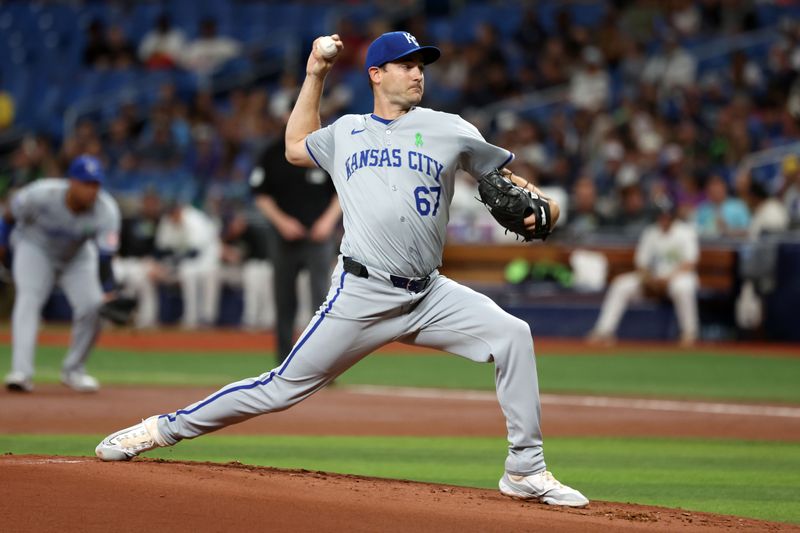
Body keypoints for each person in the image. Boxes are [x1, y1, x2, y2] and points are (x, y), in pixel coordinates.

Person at [95, 32, 588, 508]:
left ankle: (525, 470)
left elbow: (506, 182)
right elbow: (294, 146)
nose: (418, 73)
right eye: (408, 64)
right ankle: (161, 429)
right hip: (362, 291)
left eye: (422, 65)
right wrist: (315, 73)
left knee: (513, 336)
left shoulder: (451, 127)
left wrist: (549, 209)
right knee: (281, 388)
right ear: (377, 74)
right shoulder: (347, 132)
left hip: (429, 293)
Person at [1, 155, 121, 392]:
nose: (92, 190)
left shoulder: (107, 210)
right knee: (28, 300)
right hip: (35, 248)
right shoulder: (40, 193)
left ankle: (74, 370)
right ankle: (21, 373)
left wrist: (109, 290)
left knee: (93, 305)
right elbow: (8, 216)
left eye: (96, 184)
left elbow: (106, 256)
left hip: (77, 256)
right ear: (72, 182)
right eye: (86, 183)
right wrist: (2, 244)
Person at [250, 126, 341, 363]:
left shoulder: (326, 148)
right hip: (284, 238)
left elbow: (343, 190)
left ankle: (321, 363)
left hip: (319, 237)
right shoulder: (272, 152)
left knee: (322, 300)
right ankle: (283, 363)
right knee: (284, 301)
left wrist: (327, 221)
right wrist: (281, 222)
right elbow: (260, 194)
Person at [588, 198, 699, 346]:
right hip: (652, 279)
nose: (664, 218)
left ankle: (689, 333)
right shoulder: (651, 232)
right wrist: (649, 279)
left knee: (683, 288)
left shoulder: (685, 232)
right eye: (661, 215)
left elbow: (690, 263)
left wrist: (668, 279)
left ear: (673, 215)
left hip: (677, 277)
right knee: (621, 284)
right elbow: (641, 263)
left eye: (667, 215)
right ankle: (604, 331)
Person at [154, 202, 221, 329]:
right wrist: (168, 263)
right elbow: (161, 248)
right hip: (183, 262)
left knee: (207, 273)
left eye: (174, 214)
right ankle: (191, 317)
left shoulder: (194, 219)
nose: (172, 218)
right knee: (188, 272)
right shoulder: (167, 220)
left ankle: (207, 317)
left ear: (179, 211)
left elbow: (195, 251)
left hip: (207, 258)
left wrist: (173, 261)